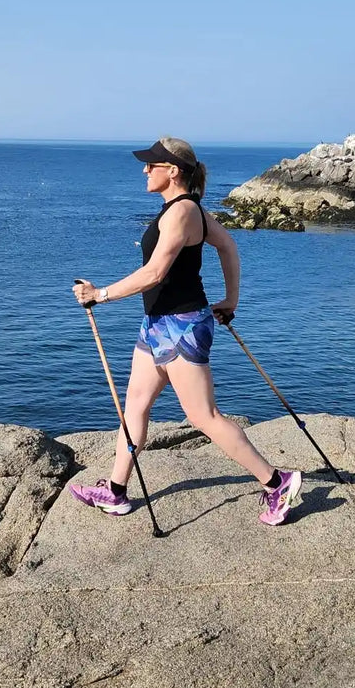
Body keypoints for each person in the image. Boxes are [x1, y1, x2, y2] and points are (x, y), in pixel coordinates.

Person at [70, 136, 302, 526]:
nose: (145, 170)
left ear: (172, 170)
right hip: (157, 325)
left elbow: (155, 272)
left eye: (152, 164)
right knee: (135, 408)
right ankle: (116, 490)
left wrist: (101, 294)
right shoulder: (185, 209)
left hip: (181, 328)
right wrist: (231, 300)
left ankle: (277, 481)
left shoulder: (182, 213)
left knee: (204, 417)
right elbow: (228, 247)